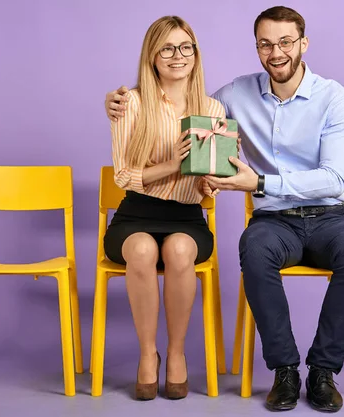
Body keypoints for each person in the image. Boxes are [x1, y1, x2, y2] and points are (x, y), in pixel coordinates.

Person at [104, 6, 344, 413]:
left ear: (303, 43)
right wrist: (116, 101)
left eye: (285, 41)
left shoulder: (336, 99)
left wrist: (259, 182)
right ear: (257, 48)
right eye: (266, 43)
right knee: (254, 250)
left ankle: (322, 370)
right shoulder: (232, 97)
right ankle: (284, 370)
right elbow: (198, 133)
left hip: (329, 216)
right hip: (272, 221)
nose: (276, 51)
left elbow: (335, 179)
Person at [103, 15, 227, 401]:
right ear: (153, 56)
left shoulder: (213, 108)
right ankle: (147, 355)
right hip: (135, 213)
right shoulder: (131, 102)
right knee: (141, 249)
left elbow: (210, 185)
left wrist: (213, 179)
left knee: (177, 250)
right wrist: (175, 162)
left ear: (195, 53)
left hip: (187, 217)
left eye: (185, 47)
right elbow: (123, 175)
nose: (178, 56)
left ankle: (175, 354)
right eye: (167, 48)